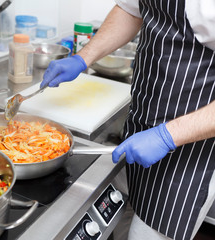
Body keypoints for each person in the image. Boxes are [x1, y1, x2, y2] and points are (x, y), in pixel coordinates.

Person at [40, 1, 215, 240]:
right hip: (142, 121)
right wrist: (83, 58)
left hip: (192, 149)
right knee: (121, 219)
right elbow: (130, 10)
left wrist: (167, 136)